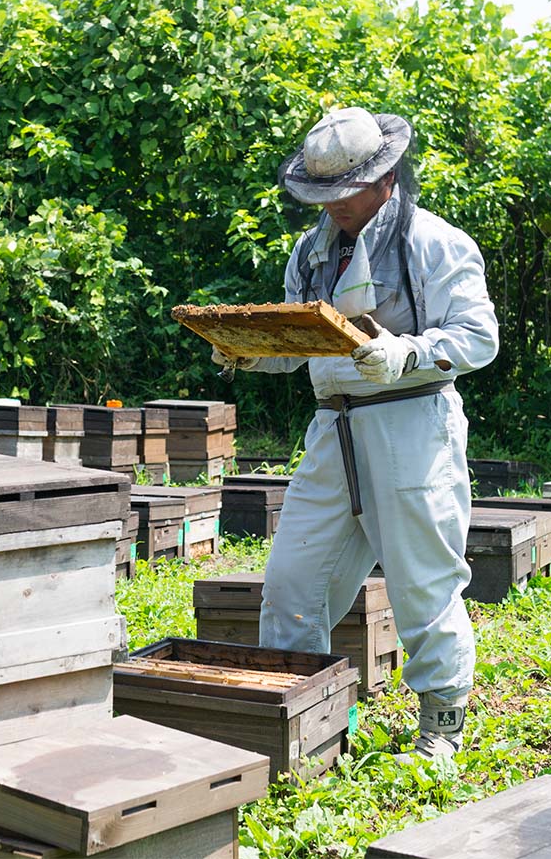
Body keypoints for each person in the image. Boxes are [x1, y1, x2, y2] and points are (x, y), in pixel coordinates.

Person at [213, 106, 499, 759]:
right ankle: (302, 730)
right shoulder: (311, 251)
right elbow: (300, 340)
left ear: (385, 177)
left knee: (424, 582)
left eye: (346, 192)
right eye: (323, 194)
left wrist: (409, 352)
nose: (335, 206)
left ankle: (441, 728)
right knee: (292, 583)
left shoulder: (436, 243)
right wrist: (249, 351)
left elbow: (479, 337)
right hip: (330, 430)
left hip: (412, 428)